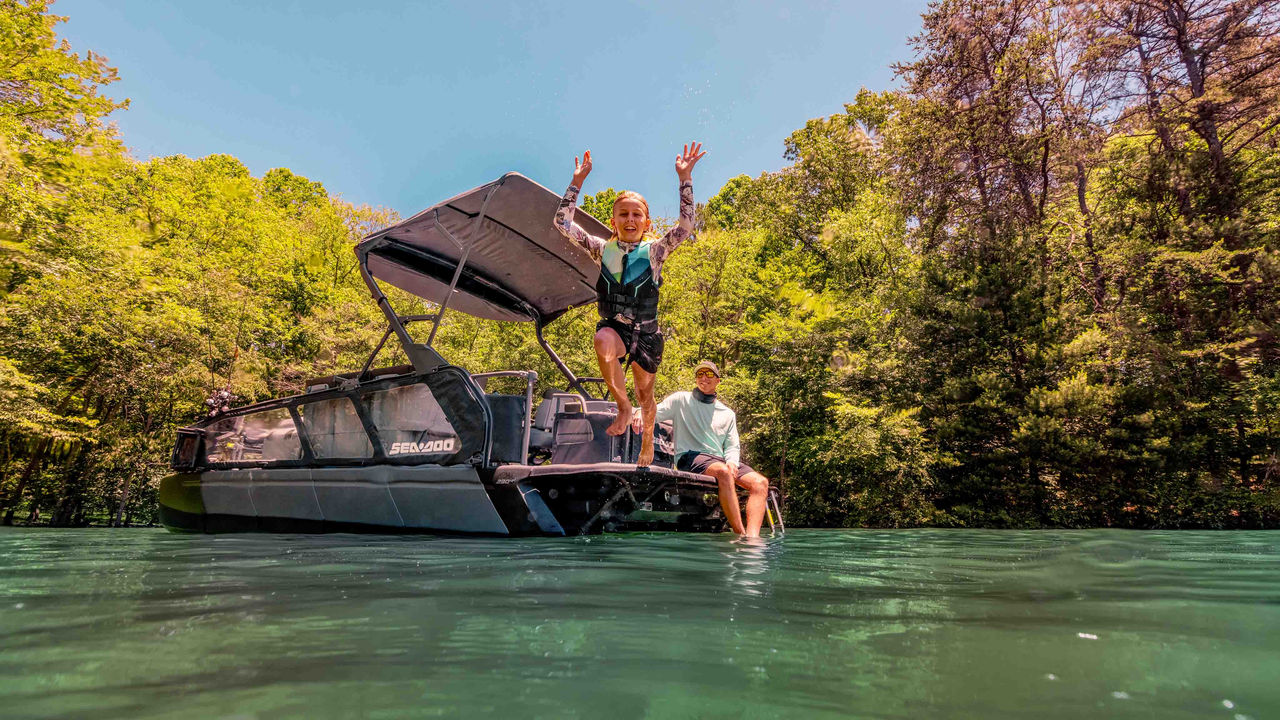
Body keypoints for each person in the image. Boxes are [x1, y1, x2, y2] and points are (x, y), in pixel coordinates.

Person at [553, 143, 706, 467]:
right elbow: (562, 223)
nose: (630, 219)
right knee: (602, 341)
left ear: (647, 221)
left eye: (637, 214)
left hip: (648, 336)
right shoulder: (600, 248)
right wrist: (577, 182)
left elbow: (686, 226)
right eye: (623, 214)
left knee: (646, 397)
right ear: (614, 220)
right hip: (617, 329)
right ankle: (622, 406)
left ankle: (647, 441)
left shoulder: (655, 251)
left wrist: (685, 178)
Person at [636, 360, 771, 537]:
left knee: (760, 483)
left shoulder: (727, 413)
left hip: (719, 459)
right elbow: (653, 411)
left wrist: (732, 462)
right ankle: (741, 534)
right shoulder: (681, 400)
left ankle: (753, 539)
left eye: (709, 374)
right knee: (723, 472)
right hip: (690, 456)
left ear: (718, 381)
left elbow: (732, 445)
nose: (704, 378)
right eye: (700, 374)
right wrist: (639, 411)